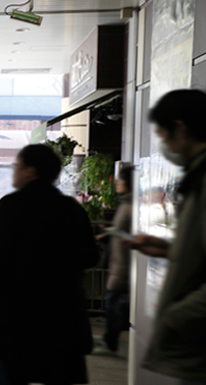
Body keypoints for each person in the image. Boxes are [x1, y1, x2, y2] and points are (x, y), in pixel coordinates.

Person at [0, 144, 100, 385]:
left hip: (21, 315)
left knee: (17, 373)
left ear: (30, 171)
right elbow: (90, 257)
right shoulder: (72, 210)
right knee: (60, 375)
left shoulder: (11, 206)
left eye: (17, 166)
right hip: (64, 314)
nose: (14, 172)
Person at [126, 89, 206, 385]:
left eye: (164, 136)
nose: (164, 145)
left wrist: (177, 315)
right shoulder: (196, 175)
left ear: (181, 129)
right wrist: (169, 249)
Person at [92, 166, 133, 356]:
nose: (117, 183)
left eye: (120, 180)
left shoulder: (131, 206)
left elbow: (127, 233)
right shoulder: (125, 204)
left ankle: (110, 342)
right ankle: (110, 341)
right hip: (119, 263)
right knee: (112, 303)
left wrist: (109, 232)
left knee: (113, 304)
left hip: (124, 265)